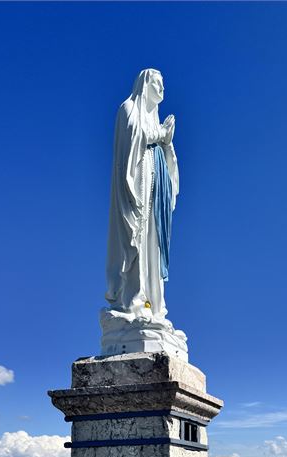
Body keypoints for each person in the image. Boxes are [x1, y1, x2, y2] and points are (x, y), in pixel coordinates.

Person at [105, 68, 179, 325]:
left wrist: (166, 142)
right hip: (136, 189)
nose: (162, 90)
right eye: (158, 84)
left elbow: (167, 159)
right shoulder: (129, 109)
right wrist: (160, 135)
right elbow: (134, 138)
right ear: (146, 84)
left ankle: (154, 305)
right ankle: (134, 302)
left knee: (153, 245)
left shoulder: (155, 119)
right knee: (137, 241)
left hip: (155, 191)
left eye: (163, 85)